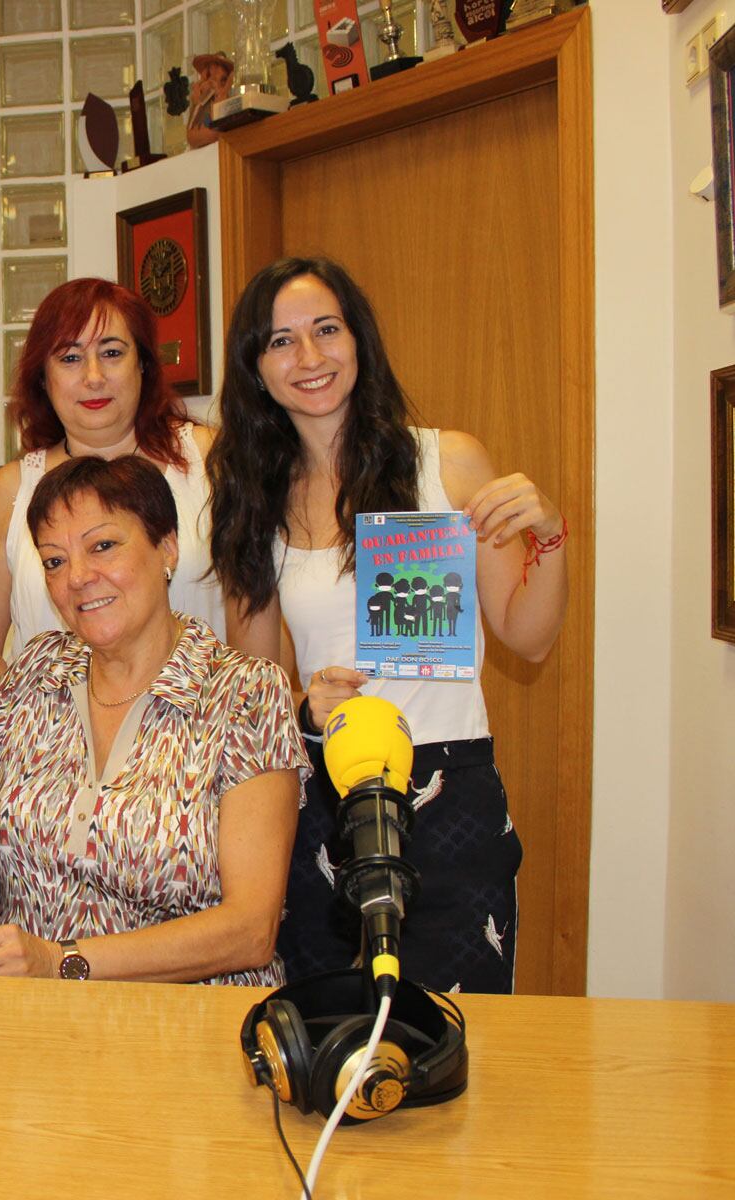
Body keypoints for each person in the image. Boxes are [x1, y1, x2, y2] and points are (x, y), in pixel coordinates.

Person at [207, 256, 569, 994]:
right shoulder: (252, 501)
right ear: (256, 368)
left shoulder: (448, 463)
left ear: (359, 338)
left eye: (326, 330)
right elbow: (257, 685)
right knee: (338, 1039)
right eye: (280, 341)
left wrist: (553, 537)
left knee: (453, 1040)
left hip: (450, 791)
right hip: (325, 795)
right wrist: (304, 702)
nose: (308, 357)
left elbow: (528, 638)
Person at [0, 455, 308, 984]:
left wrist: (61, 961)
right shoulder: (38, 672)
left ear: (166, 547)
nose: (78, 578)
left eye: (103, 546)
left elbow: (250, 930)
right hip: (27, 1024)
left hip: (190, 1027)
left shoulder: (246, 692)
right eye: (54, 561)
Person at [0, 277, 221, 706]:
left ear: (144, 365)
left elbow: (260, 613)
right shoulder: (11, 489)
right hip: (57, 761)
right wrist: (32, 725)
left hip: (198, 746)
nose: (93, 377)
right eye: (70, 358)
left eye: (112, 353)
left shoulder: (210, 461)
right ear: (43, 376)